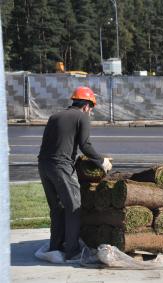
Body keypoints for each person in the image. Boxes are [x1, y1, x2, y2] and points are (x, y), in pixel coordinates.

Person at [38, 86, 112, 260]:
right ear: (86, 105)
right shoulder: (81, 117)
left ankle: (55, 246)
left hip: (43, 166)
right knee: (74, 207)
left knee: (57, 208)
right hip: (61, 167)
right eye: (91, 107)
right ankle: (72, 251)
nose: (90, 111)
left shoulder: (55, 116)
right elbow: (85, 145)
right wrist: (102, 161)